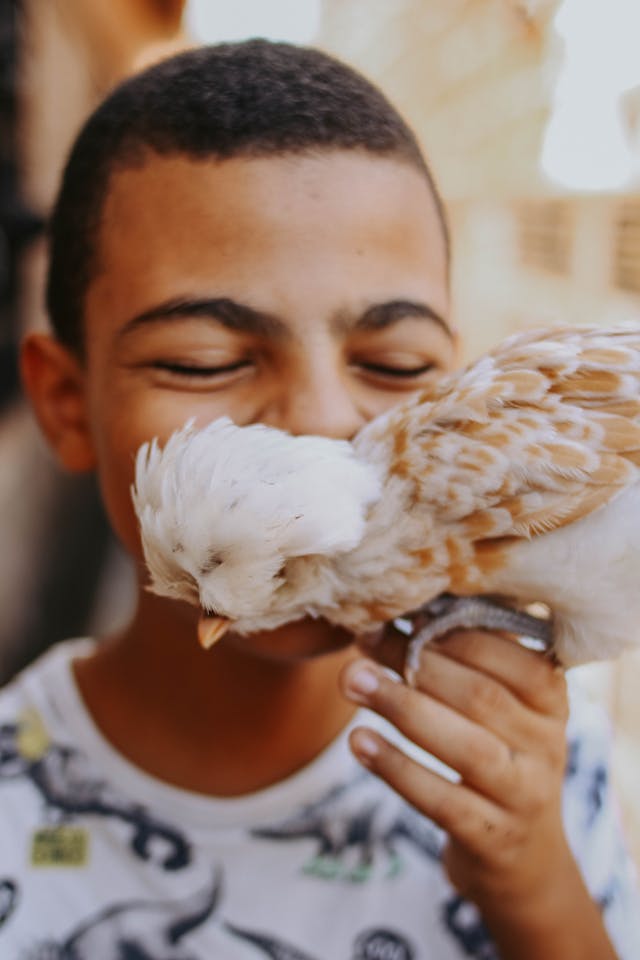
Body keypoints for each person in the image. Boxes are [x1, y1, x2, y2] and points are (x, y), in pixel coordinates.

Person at [3, 39, 638, 959]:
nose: (318, 426)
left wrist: (532, 880)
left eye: (394, 365)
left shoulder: (537, 758)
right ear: (65, 403)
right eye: (203, 362)